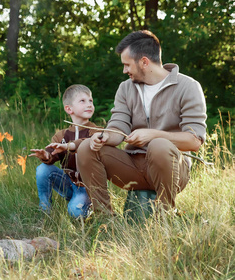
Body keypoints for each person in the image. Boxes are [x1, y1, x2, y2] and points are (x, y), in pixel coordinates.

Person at [74, 30, 207, 214]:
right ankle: (104, 219)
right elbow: (117, 126)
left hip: (171, 169)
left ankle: (165, 215)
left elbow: (194, 141)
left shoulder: (188, 87)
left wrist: (153, 135)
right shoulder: (125, 88)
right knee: (87, 147)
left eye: (127, 65)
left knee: (159, 145)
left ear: (144, 62)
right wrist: (104, 136)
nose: (124, 70)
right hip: (133, 167)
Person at [29, 84, 99, 218]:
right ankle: (45, 210)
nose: (89, 104)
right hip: (68, 183)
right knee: (43, 169)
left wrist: (70, 146)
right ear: (69, 109)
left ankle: (88, 206)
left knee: (75, 212)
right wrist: (45, 155)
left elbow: (88, 143)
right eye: (83, 101)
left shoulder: (96, 131)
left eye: (91, 100)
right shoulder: (61, 135)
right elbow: (51, 156)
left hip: (88, 188)